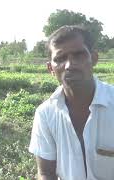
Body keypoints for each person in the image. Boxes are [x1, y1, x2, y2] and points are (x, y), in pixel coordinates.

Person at [29, 25, 114, 180]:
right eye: (60, 59)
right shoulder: (46, 114)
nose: (69, 65)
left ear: (94, 58)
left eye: (79, 55)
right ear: (50, 68)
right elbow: (46, 173)